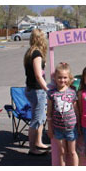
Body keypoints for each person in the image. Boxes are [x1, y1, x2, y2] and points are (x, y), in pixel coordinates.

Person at [46, 62, 79, 166]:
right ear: (55, 78)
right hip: (57, 129)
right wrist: (50, 128)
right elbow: (49, 112)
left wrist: (79, 125)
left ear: (69, 78)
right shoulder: (52, 93)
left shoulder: (72, 92)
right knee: (62, 152)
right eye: (59, 77)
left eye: (65, 77)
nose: (62, 80)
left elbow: (76, 109)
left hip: (71, 128)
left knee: (72, 152)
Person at [24, 28, 50, 156]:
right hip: (37, 90)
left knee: (40, 118)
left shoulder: (30, 52)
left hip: (32, 89)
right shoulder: (37, 54)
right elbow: (38, 76)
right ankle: (32, 148)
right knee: (36, 120)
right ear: (40, 39)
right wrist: (48, 90)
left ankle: (38, 142)